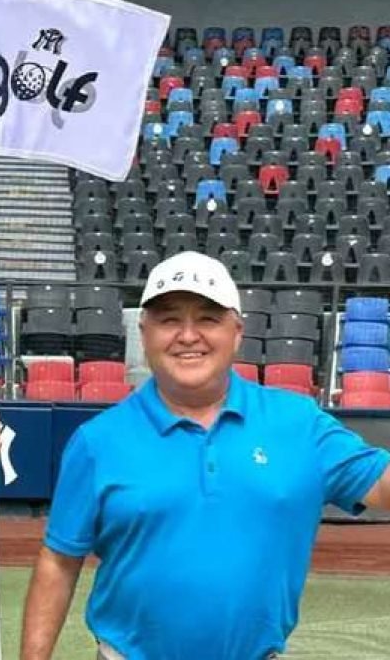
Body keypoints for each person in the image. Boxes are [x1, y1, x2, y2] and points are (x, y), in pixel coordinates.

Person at [21, 250, 390, 660]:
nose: (188, 335)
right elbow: (59, 561)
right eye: (169, 319)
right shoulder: (97, 441)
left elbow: (382, 486)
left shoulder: (300, 423)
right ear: (143, 334)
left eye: (208, 319)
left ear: (237, 332)